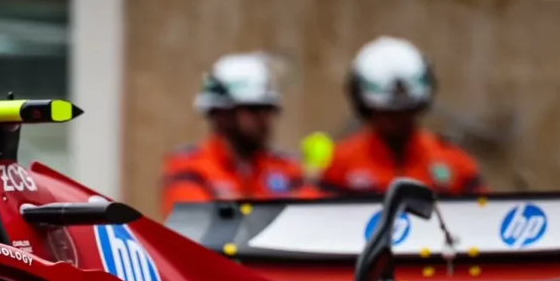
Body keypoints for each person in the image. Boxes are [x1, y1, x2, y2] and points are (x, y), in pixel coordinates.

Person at [317, 36, 483, 196]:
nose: (396, 121)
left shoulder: (456, 164)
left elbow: (484, 216)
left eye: (405, 111)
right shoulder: (341, 165)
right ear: (366, 108)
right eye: (386, 113)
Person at [160, 52, 311, 218]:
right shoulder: (191, 168)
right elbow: (195, 228)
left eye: (268, 110)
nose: (265, 119)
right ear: (222, 114)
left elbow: (312, 221)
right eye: (254, 109)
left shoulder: (287, 168)